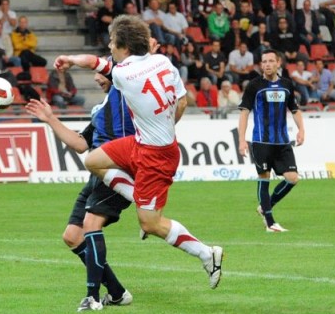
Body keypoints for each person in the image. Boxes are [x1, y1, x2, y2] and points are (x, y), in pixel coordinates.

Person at [53, 15, 223, 292]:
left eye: (112, 42)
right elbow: (182, 102)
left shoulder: (123, 74)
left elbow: (96, 64)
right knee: (93, 160)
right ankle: (138, 197)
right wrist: (165, 126)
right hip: (140, 142)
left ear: (125, 47)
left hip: (157, 156)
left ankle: (207, 253)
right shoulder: (163, 62)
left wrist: (70, 60)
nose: (110, 47)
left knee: (150, 223)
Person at [25, 70, 137, 312]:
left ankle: (92, 297)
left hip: (117, 172)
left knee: (90, 225)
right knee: (72, 236)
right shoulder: (101, 110)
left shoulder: (125, 98)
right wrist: (50, 119)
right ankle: (117, 293)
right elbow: (80, 144)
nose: (96, 78)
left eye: (101, 74)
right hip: (96, 177)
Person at [238, 49, 305, 232]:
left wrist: (301, 130)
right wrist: (242, 140)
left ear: (278, 63)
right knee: (264, 178)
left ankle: (264, 207)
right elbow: (244, 113)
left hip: (282, 142)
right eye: (264, 61)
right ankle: (270, 223)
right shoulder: (254, 86)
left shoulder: (286, 84)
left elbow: (295, 109)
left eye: (270, 61)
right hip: (262, 142)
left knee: (293, 178)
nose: (267, 64)